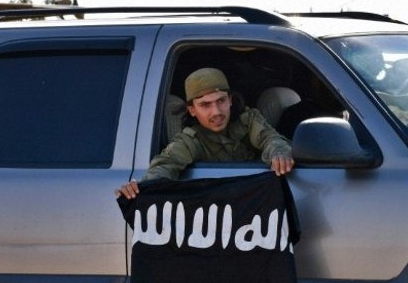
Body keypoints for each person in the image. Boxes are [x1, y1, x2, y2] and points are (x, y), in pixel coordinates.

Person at [116, 67, 294, 199]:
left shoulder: (248, 120)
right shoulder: (191, 139)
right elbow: (166, 164)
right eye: (205, 105)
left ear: (230, 100)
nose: (216, 111)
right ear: (192, 110)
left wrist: (279, 154)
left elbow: (269, 138)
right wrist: (144, 188)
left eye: (221, 101)